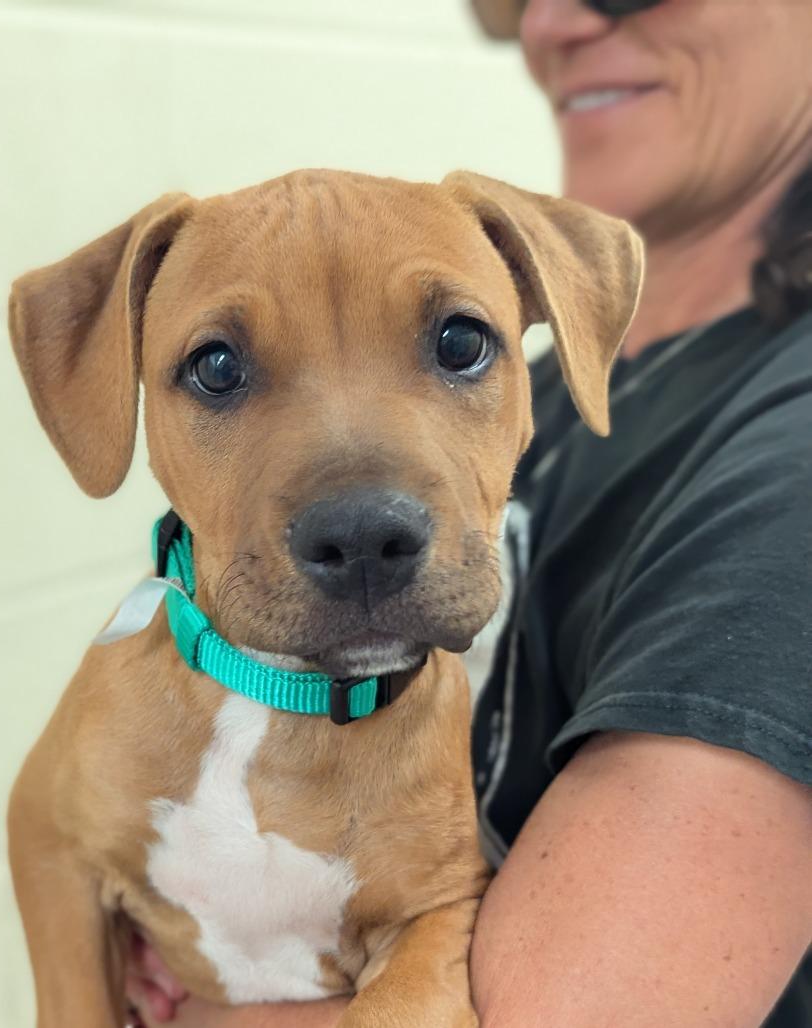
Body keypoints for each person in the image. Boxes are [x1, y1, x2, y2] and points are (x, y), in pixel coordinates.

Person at [125, 1, 812, 1023]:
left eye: (452, 344)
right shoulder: (529, 391)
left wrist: (202, 998)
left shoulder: (788, 450)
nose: (551, 22)